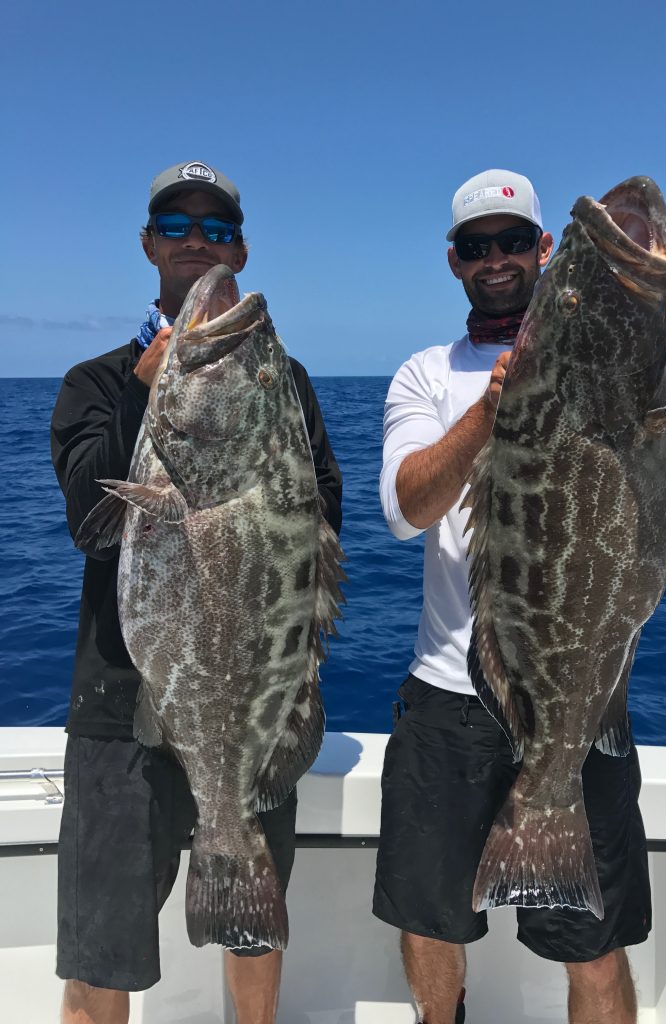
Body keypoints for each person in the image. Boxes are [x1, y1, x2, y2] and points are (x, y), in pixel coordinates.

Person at [50, 160, 343, 1024]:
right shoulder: (95, 384)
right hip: (120, 708)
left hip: (251, 693)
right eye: (176, 228)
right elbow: (90, 520)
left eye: (215, 230)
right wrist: (150, 394)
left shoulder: (282, 380)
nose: (196, 244)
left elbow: (323, 524)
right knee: (102, 951)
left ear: (241, 249)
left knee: (256, 939)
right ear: (148, 245)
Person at [374, 169, 651, 1024]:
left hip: (579, 694)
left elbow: (649, 497)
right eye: (474, 246)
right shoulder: (425, 374)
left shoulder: (611, 368)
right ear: (455, 262)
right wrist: (493, 410)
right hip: (449, 702)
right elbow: (403, 509)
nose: (493, 259)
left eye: (509, 242)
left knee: (593, 946)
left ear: (545, 248)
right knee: (431, 925)